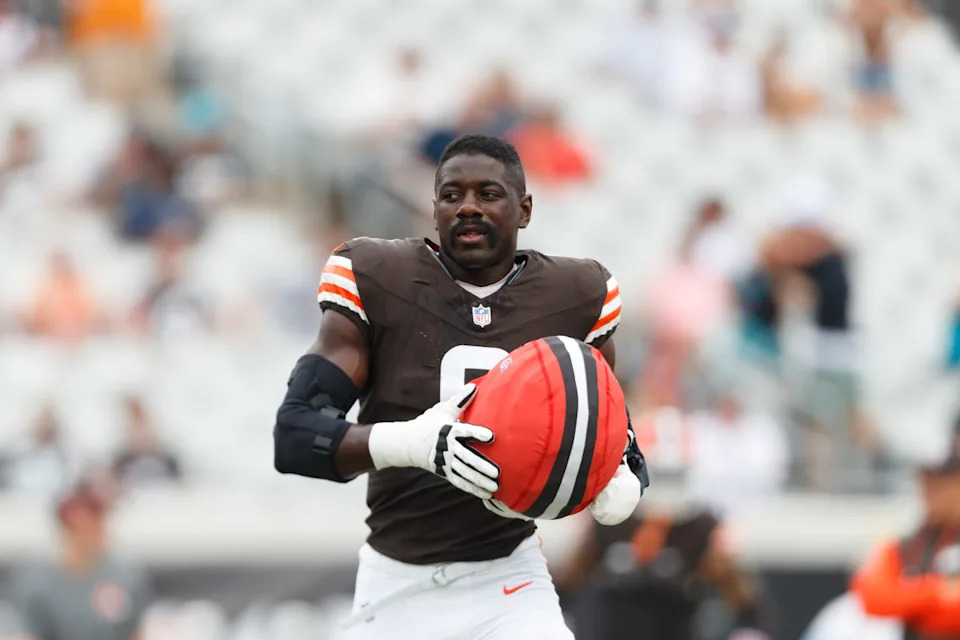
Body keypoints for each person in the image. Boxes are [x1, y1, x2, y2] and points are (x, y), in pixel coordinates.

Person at [272, 134, 646, 639]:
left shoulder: (576, 294)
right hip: (394, 583)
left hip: (508, 580)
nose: (468, 207)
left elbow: (615, 434)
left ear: (525, 209)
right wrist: (413, 444)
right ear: (434, 208)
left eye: (488, 194)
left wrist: (621, 480)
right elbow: (295, 436)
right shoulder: (378, 277)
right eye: (452, 195)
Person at [556, 505, 769, 640]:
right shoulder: (609, 522)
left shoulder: (701, 530)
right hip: (612, 628)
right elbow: (569, 582)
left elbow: (744, 600)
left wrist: (748, 631)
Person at [850, 413, 960, 638]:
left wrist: (909, 595)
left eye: (940, 481)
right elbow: (873, 597)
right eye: (925, 480)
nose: (929, 490)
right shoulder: (907, 544)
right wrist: (937, 591)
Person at [6, 485, 152, 640]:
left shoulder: (126, 576)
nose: (96, 533)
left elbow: (135, 633)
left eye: (99, 522)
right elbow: (26, 634)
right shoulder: (36, 581)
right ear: (66, 529)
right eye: (84, 528)